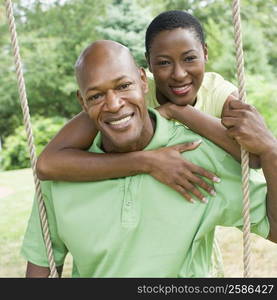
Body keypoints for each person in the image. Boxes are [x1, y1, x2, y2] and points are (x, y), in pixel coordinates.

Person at [21, 40, 277, 278]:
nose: (113, 104)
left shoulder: (198, 155)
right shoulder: (62, 174)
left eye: (123, 86)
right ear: (82, 102)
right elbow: (41, 268)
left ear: (143, 81)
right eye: (96, 96)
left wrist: (271, 152)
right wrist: (145, 162)